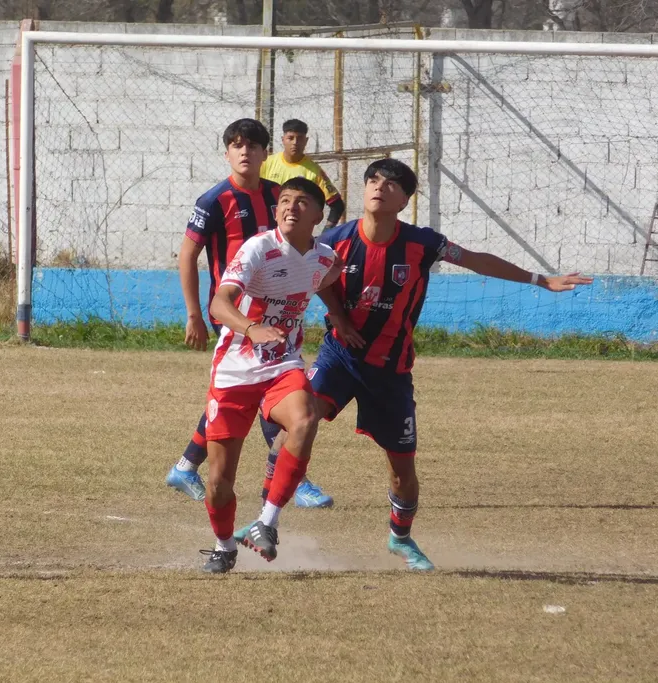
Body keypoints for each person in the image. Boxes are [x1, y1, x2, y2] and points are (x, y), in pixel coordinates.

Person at [242, 159, 593, 571]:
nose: (378, 188)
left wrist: (539, 279)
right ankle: (266, 521)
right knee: (298, 423)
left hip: (391, 370)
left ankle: (401, 539)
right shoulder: (336, 239)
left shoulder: (424, 243)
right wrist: (336, 313)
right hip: (340, 356)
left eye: (390, 184)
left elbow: (476, 259)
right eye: (372, 180)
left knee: (402, 473)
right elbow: (317, 278)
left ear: (405, 199)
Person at [166, 119, 335, 509]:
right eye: (237, 145)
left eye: (253, 146)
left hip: (276, 317)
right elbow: (188, 255)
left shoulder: (281, 197)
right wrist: (194, 313)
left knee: (238, 396)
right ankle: (295, 481)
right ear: (227, 153)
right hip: (237, 313)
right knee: (266, 392)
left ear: (265, 153)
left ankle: (187, 465)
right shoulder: (213, 201)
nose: (245, 152)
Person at [200, 178, 341, 574]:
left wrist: (341, 319)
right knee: (218, 481)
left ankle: (267, 522)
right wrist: (251, 327)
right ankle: (224, 545)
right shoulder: (259, 247)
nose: (290, 208)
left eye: (301, 202)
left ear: (318, 215)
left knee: (306, 418)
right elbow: (219, 302)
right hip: (234, 369)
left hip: (282, 364)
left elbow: (327, 280)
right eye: (284, 201)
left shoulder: (324, 257)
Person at [261, 119, 346, 230]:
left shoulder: (314, 172)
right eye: (290, 138)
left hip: (296, 234)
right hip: (269, 230)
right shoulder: (266, 164)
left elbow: (337, 205)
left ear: (306, 141)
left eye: (300, 138)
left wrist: (327, 233)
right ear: (283, 140)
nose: (295, 142)